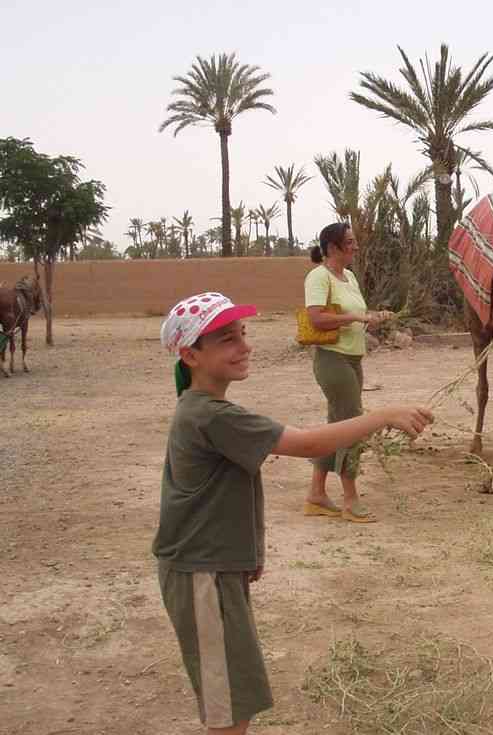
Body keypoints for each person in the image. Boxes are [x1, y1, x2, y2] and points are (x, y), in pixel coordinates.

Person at [153, 292, 432, 734]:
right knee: (228, 707)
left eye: (243, 334)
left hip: (214, 569)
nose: (244, 346)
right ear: (190, 355)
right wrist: (382, 415)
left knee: (236, 695)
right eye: (227, 339)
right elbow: (307, 444)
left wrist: (246, 557)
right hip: (201, 574)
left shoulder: (205, 410)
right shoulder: (211, 416)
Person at [303, 223, 394, 522]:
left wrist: (372, 317)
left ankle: (316, 495)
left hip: (353, 359)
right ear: (332, 248)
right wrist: (354, 316)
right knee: (352, 426)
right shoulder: (318, 277)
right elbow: (316, 319)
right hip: (332, 359)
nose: (356, 246)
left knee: (337, 425)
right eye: (350, 242)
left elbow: (355, 315)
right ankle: (351, 499)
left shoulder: (350, 277)